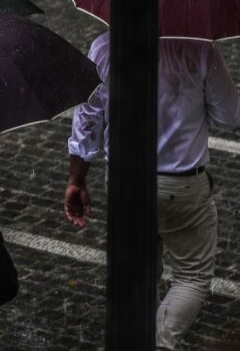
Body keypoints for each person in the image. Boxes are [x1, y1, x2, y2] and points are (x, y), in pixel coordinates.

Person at [65, 31, 240, 349]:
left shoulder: (106, 47)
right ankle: (159, 342)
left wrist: (76, 180)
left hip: (125, 183)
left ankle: (135, 338)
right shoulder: (201, 50)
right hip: (183, 185)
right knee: (192, 276)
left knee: (139, 271)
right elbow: (229, 117)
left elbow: (87, 123)